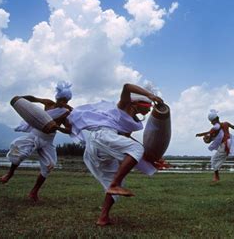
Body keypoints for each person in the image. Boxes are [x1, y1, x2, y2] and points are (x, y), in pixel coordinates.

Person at [67, 83, 163, 226]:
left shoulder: (131, 122)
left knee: (119, 181)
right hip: (101, 136)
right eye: (149, 105)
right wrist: (151, 95)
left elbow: (126, 141)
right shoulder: (123, 105)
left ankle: (103, 218)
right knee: (135, 150)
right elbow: (127, 86)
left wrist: (152, 160)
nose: (150, 109)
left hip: (101, 146)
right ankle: (114, 184)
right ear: (138, 103)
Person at [0, 82, 73, 202]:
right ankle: (10, 174)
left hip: (48, 140)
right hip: (36, 134)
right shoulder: (49, 103)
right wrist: (21, 99)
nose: (64, 103)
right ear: (57, 98)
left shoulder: (66, 112)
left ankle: (34, 192)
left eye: (66, 101)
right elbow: (33, 99)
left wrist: (57, 127)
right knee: (21, 153)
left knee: (50, 165)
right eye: (62, 100)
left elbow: (69, 130)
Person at [196, 110, 234, 182]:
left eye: (212, 121)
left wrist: (206, 139)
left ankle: (216, 177)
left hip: (224, 145)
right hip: (230, 141)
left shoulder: (215, 129)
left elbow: (209, 139)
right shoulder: (225, 123)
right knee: (232, 144)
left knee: (213, 160)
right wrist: (231, 126)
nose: (211, 123)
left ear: (215, 120)